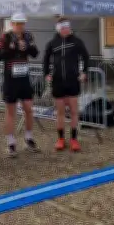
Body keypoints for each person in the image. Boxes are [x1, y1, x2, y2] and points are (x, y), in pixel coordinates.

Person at [0, 12, 40, 157]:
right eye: (17, 23)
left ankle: (28, 138)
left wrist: (26, 47)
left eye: (22, 23)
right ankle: (11, 143)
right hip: (11, 78)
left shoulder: (28, 35)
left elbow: (35, 53)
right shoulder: (5, 36)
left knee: (29, 108)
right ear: (12, 24)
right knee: (11, 111)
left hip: (24, 77)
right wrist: (13, 48)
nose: (20, 26)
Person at [43, 17, 89, 152]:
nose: (66, 30)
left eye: (68, 27)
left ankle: (74, 139)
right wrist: (46, 73)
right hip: (58, 81)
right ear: (58, 28)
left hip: (73, 81)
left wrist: (84, 72)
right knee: (60, 112)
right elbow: (45, 59)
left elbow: (86, 57)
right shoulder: (53, 43)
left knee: (74, 111)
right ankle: (61, 139)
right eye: (63, 27)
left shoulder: (76, 41)